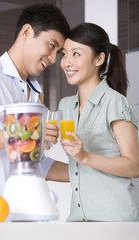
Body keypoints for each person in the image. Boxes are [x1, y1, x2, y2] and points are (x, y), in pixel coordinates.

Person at [0, 3, 70, 222]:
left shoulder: (37, 95)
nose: (53, 58)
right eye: (51, 45)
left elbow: (37, 162)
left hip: (29, 220)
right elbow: (21, 137)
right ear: (27, 32)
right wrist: (23, 132)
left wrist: (89, 171)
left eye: (59, 52)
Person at [59, 22, 139, 222]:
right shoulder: (65, 105)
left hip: (115, 220)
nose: (67, 62)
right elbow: (74, 166)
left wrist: (85, 156)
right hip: (78, 219)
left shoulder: (115, 103)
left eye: (76, 54)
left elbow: (134, 167)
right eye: (64, 54)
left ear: (99, 59)